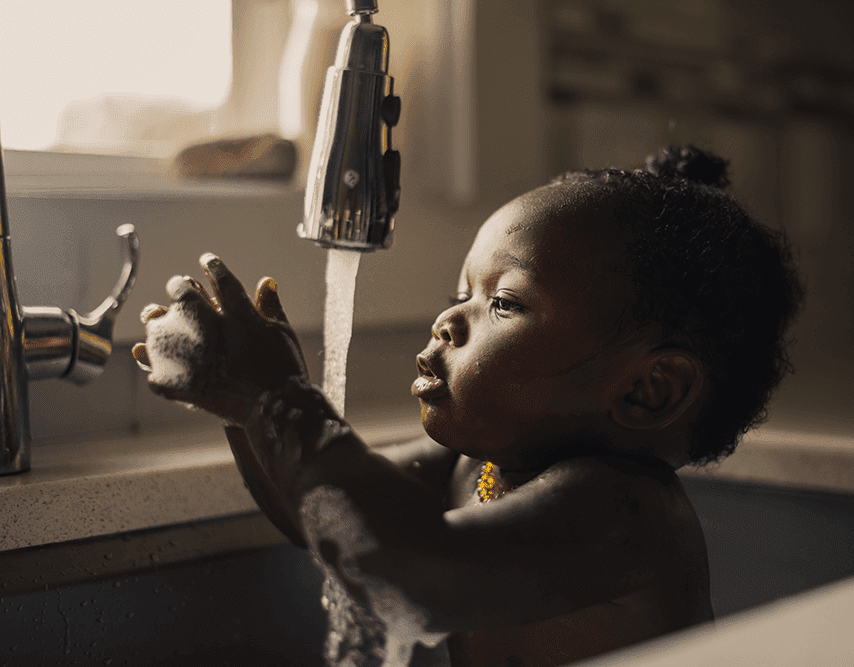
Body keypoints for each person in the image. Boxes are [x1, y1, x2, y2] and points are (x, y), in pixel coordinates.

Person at [133, 146, 804, 667]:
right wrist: (244, 409)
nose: (450, 318)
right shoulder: (473, 468)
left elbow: (411, 572)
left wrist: (282, 398)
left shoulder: (624, 514)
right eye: (462, 291)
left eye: (504, 302)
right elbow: (332, 523)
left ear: (646, 388)